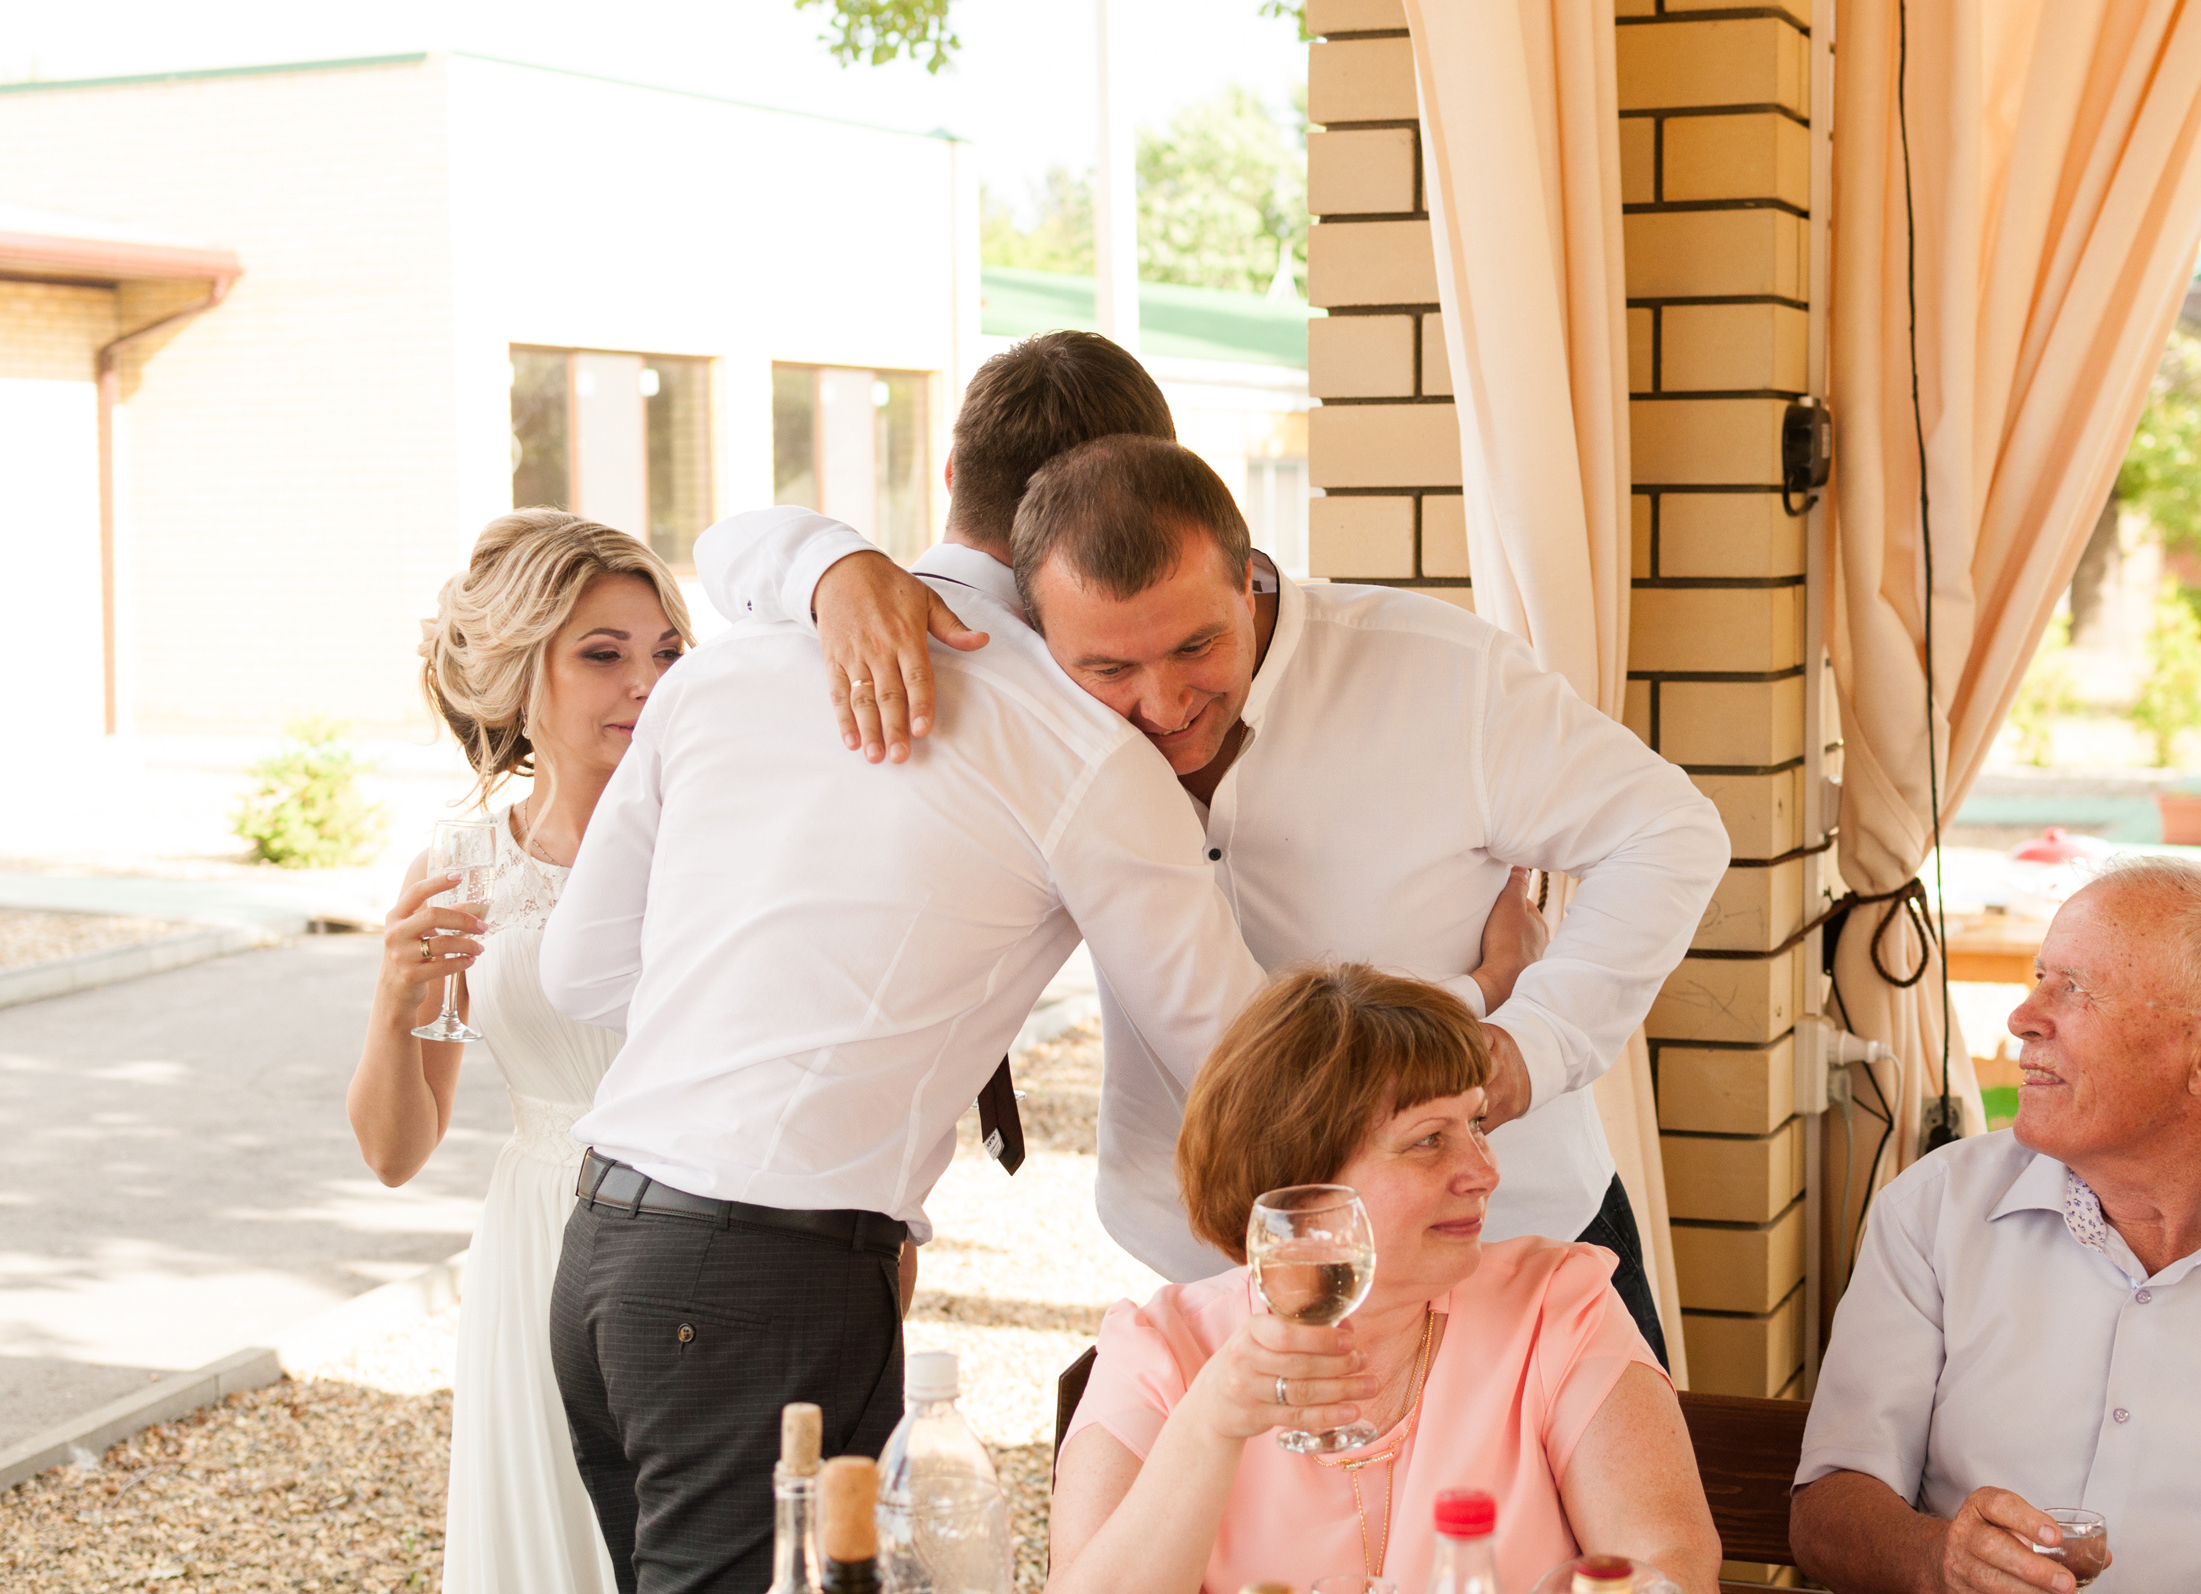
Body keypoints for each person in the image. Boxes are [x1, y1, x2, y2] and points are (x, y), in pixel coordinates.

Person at [538, 334, 1542, 1594]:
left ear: (953, 466)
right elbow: (1245, 1061)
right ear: (1123, 496)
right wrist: (1476, 992)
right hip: (768, 1281)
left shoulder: (728, 668)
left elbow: (580, 973)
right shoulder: (1084, 758)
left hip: (602, 1256)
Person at [705, 415, 1730, 1363]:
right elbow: (735, 553)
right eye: (1111, 668)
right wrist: (838, 569)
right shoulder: (1035, 706)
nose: (1162, 704)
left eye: (1198, 646)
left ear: (1249, 577)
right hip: (1215, 1267)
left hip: (1505, 1245)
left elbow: (1671, 832)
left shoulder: (1442, 677)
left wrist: (1532, 1042)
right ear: (1037, 623)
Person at [1789, 854, 2201, 1593]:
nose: (2023, 1017)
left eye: (2075, 990)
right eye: (2040, 976)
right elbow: (1828, 1507)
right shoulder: (1937, 1209)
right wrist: (1935, 1556)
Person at [1048, 964, 1722, 1594]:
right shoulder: (1162, 1352)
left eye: (1477, 1123)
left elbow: (1667, 1566)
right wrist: (1209, 1425)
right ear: (1303, 1182)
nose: (1484, 1171)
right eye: (1429, 1139)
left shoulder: (1554, 1307)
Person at [348, 509, 696, 1594]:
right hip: (536, 1234)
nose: (646, 683)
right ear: (516, 677)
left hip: (697, 1230)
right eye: (604, 654)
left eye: (667, 653)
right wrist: (394, 994)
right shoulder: (464, 867)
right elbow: (397, 1151)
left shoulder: (718, 841)